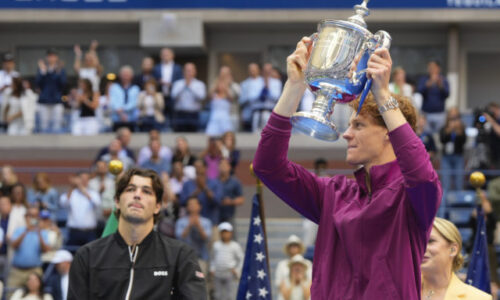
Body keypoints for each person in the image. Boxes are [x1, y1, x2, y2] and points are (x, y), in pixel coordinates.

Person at [253, 37, 441, 299]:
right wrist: (294, 87)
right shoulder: (333, 192)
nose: (346, 134)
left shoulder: (414, 196)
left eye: (359, 125)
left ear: (390, 133)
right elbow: (267, 166)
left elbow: (420, 171)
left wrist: (383, 94)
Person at [68, 168, 206, 299]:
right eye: (130, 189)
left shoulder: (180, 256)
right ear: (117, 201)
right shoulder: (87, 256)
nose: (137, 195)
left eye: (146, 191)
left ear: (158, 206)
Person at [421, 217, 492, 300]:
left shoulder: (479, 298)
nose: (420, 248)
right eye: (418, 242)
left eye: (430, 241)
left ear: (453, 250)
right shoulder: (403, 289)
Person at [8, 206, 50, 295]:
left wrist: (39, 233)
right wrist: (26, 231)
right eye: (30, 215)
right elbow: (13, 246)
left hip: (34, 270)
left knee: (37, 296)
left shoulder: (42, 232)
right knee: (10, 295)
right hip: (17, 271)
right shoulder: (19, 230)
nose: (32, 218)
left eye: (35, 215)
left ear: (38, 217)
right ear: (26, 217)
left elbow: (46, 250)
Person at [59, 171, 101, 247]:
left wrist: (83, 190)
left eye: (87, 179)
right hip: (74, 232)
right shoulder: (72, 193)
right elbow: (64, 203)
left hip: (89, 232)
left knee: (91, 256)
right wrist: (72, 186)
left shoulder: (94, 193)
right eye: (82, 179)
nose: (84, 181)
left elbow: (96, 203)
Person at [180, 159, 223, 226]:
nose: (197, 169)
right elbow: (182, 202)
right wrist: (196, 192)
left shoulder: (215, 183)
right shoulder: (187, 184)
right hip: (190, 224)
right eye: (196, 167)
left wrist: (205, 188)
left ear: (205, 168)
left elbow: (218, 201)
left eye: (199, 167)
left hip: (211, 222)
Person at [175, 197, 212, 274]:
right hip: (184, 258)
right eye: (190, 204)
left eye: (195, 204)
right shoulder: (180, 221)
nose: (192, 206)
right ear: (187, 207)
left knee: (200, 281)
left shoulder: (206, 222)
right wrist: (189, 225)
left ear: (200, 206)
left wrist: (198, 226)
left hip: (201, 257)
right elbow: (179, 237)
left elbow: (207, 238)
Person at [36, 48, 67, 133]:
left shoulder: (60, 69)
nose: (51, 58)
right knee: (43, 125)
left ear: (56, 58)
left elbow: (63, 84)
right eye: (50, 56)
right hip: (44, 100)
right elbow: (38, 83)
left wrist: (58, 72)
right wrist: (43, 71)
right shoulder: (42, 69)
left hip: (56, 100)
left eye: (53, 56)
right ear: (47, 57)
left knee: (57, 125)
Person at [210, 222, 243, 300]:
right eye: (223, 232)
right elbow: (212, 258)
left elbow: (241, 258)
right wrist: (212, 268)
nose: (225, 235)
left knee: (230, 295)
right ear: (220, 233)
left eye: (227, 232)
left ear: (231, 233)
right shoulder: (216, 245)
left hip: (229, 273)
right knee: (218, 295)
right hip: (218, 273)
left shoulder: (235, 246)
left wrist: (237, 270)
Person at [171, 63, 206, 132]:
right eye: (187, 70)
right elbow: (173, 96)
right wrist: (184, 85)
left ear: (195, 71)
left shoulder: (200, 84)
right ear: (183, 72)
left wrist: (190, 86)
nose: (188, 73)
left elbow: (201, 97)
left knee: (194, 136)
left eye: (190, 70)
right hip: (180, 113)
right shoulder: (178, 83)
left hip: (194, 114)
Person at [275, 235, 312, 300]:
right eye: (291, 246)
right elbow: (284, 293)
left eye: (295, 245)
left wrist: (301, 280)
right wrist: (293, 281)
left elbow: (308, 294)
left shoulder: (308, 264)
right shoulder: (282, 265)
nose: (293, 248)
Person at [417, 60, 449, 133]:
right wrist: (428, 84)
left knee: (439, 135)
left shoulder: (443, 80)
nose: (431, 69)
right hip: (426, 113)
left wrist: (440, 86)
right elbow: (419, 91)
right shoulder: (424, 79)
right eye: (430, 67)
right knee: (426, 136)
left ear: (438, 68)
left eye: (434, 67)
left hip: (440, 113)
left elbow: (447, 94)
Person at [439, 107, 466, 191]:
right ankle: (444, 203)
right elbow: (442, 140)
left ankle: (460, 202)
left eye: (456, 117)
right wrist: (449, 130)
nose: (453, 119)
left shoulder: (462, 128)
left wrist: (458, 131)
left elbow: (464, 141)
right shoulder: (444, 128)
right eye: (452, 117)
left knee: (459, 180)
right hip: (446, 157)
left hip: (458, 156)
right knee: (445, 181)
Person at [153, 48, 183, 124]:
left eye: (167, 54)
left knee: (173, 116)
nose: (165, 56)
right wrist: (159, 82)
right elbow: (153, 81)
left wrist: (172, 84)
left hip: (173, 96)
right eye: (163, 55)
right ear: (160, 56)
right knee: (160, 116)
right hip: (160, 95)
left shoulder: (177, 68)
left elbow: (180, 81)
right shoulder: (156, 67)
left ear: (172, 56)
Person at [251, 63, 282, 132]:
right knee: (255, 134)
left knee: (269, 132)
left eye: (269, 71)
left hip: (269, 112)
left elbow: (276, 97)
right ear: (262, 71)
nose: (267, 72)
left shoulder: (277, 82)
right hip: (257, 112)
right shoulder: (255, 81)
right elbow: (251, 98)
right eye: (265, 71)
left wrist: (268, 88)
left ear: (271, 71)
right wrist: (262, 92)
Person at [109, 65, 140, 131]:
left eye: (127, 75)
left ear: (131, 76)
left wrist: (123, 109)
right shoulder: (114, 87)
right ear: (120, 76)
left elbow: (134, 103)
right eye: (124, 75)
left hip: (131, 119)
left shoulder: (135, 88)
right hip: (117, 118)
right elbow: (113, 101)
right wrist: (120, 112)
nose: (125, 77)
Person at [218, 159, 244, 225]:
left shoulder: (235, 182)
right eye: (221, 165)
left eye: (225, 165)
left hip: (229, 216)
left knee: (231, 234)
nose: (223, 167)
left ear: (229, 167)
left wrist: (231, 202)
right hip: (215, 216)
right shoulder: (214, 182)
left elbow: (241, 199)